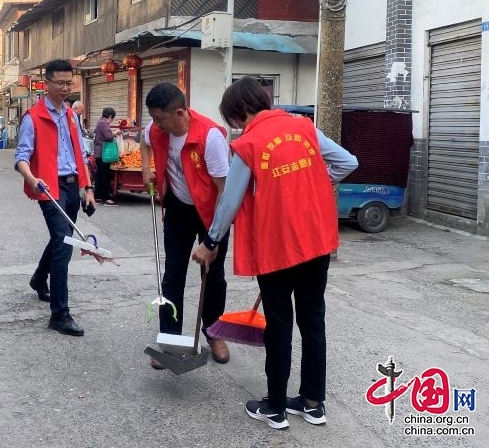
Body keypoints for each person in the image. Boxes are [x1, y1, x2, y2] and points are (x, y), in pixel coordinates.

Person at [192, 76, 358, 430]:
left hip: (277, 247)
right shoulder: (305, 128)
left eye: (234, 120)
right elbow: (347, 163)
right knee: (313, 321)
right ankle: (313, 403)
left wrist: (210, 242)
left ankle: (276, 407)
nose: (236, 127)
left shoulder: (249, 143)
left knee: (279, 325)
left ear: (242, 111)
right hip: (316, 242)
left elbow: (231, 200)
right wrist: (312, 180)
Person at [140, 82, 231, 368]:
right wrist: (146, 170)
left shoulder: (210, 137)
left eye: (160, 119)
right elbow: (144, 142)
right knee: (173, 275)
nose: (155, 125)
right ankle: (170, 337)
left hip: (212, 212)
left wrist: (212, 239)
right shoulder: (156, 129)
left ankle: (214, 332)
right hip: (179, 207)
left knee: (212, 275)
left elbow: (223, 191)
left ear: (180, 113)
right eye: (153, 118)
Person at [15, 59, 96, 337]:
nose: (65, 88)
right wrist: (32, 179)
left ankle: (39, 279)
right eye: (59, 83)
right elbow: (21, 158)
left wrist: (88, 188)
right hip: (48, 188)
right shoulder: (33, 117)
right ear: (46, 83)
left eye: (68, 83)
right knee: (65, 245)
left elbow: (80, 155)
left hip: (73, 187)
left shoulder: (72, 116)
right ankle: (60, 315)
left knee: (61, 237)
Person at [93, 107, 118, 206]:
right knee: (105, 176)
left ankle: (98, 197)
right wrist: (115, 133)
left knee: (100, 175)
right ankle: (106, 198)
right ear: (110, 116)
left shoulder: (100, 122)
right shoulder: (103, 123)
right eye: (112, 118)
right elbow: (108, 136)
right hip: (103, 153)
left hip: (99, 153)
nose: (111, 121)